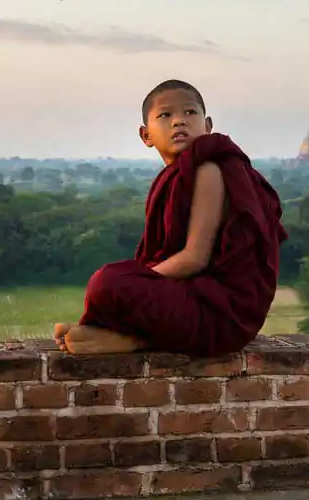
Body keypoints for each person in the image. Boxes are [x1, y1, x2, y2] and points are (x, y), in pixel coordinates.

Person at [53, 79, 287, 356]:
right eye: (166, 115)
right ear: (146, 135)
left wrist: (139, 281)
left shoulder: (208, 169)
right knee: (112, 282)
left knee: (108, 282)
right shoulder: (173, 177)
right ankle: (130, 336)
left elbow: (194, 258)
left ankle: (137, 340)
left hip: (220, 315)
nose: (179, 122)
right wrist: (135, 283)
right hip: (190, 301)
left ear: (208, 125)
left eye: (190, 113)